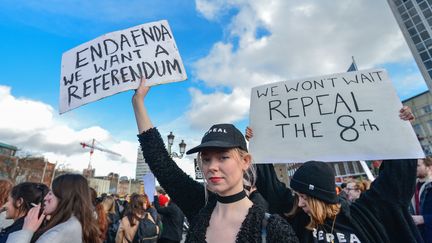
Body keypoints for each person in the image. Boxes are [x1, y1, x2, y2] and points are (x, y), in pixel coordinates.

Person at [132, 78, 298, 242]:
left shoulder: (273, 230)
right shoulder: (199, 207)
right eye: (206, 159)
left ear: (245, 161)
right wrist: (138, 102)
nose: (212, 166)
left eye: (223, 157)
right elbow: (161, 163)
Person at [246, 106, 424, 242]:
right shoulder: (298, 218)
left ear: (321, 195)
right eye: (297, 196)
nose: (299, 203)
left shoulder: (364, 214)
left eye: (304, 196)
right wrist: (258, 143)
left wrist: (401, 127)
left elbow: (396, 179)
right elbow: (270, 185)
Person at [6, 174, 101, 243]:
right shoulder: (75, 224)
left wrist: (26, 231)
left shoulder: (57, 234)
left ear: (64, 197)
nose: (45, 198)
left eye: (51, 193)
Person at [410, 157, 432, 243]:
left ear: (429, 167)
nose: (415, 168)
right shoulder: (413, 186)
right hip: (418, 234)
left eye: (418, 165)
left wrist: (424, 219)